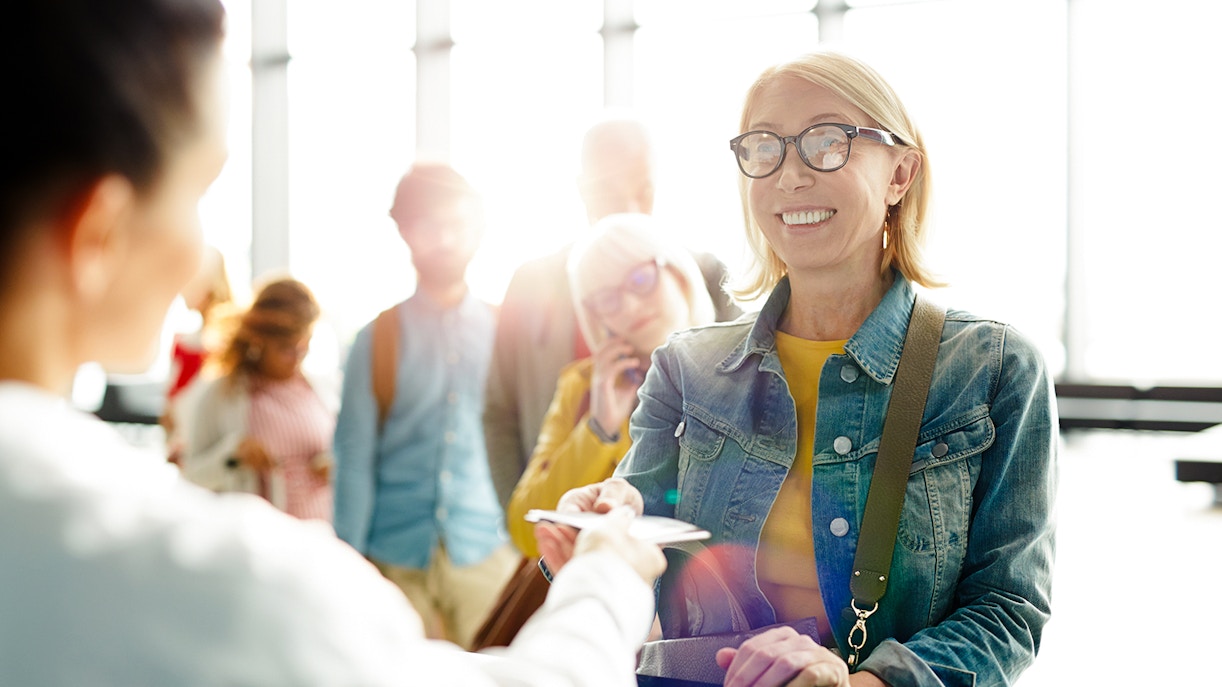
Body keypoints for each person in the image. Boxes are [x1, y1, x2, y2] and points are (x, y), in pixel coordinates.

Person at [0, 2, 665, 684]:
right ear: (98, 233)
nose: (200, 250)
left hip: (479, 554)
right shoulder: (226, 585)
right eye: (199, 192)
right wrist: (610, 574)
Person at [537, 51, 1057, 687]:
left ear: (901, 173)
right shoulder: (685, 369)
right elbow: (638, 550)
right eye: (765, 148)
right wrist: (590, 540)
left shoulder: (993, 370)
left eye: (828, 143)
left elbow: (1008, 611)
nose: (789, 176)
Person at [484, 115, 742, 516]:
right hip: (565, 520)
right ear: (582, 191)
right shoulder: (533, 285)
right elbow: (499, 412)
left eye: (643, 190)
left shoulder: (706, 274)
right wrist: (529, 524)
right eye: (608, 191)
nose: (629, 207)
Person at [332, 162, 518, 651]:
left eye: (458, 223)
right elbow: (353, 460)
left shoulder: (506, 333)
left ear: (478, 230)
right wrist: (348, 563)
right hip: (391, 554)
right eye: (430, 225)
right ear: (405, 232)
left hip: (487, 549)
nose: (446, 238)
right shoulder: (376, 340)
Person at [506, 213, 716, 557]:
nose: (630, 306)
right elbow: (526, 530)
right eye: (607, 299)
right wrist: (599, 429)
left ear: (677, 273)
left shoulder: (744, 370)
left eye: (641, 279)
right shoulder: (582, 388)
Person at [179, 277, 336, 522]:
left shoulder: (322, 390)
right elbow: (190, 478)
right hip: (257, 543)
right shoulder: (219, 395)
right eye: (286, 349)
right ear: (259, 340)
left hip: (321, 537)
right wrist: (233, 454)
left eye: (304, 346)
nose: (297, 358)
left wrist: (334, 466)